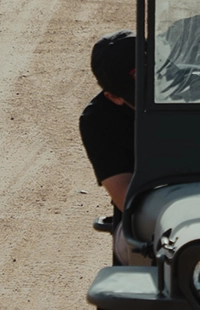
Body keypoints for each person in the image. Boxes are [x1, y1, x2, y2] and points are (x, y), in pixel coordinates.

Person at [79, 30, 137, 264]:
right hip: (159, 217)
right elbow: (128, 200)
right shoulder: (99, 120)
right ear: (113, 97)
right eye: (144, 91)